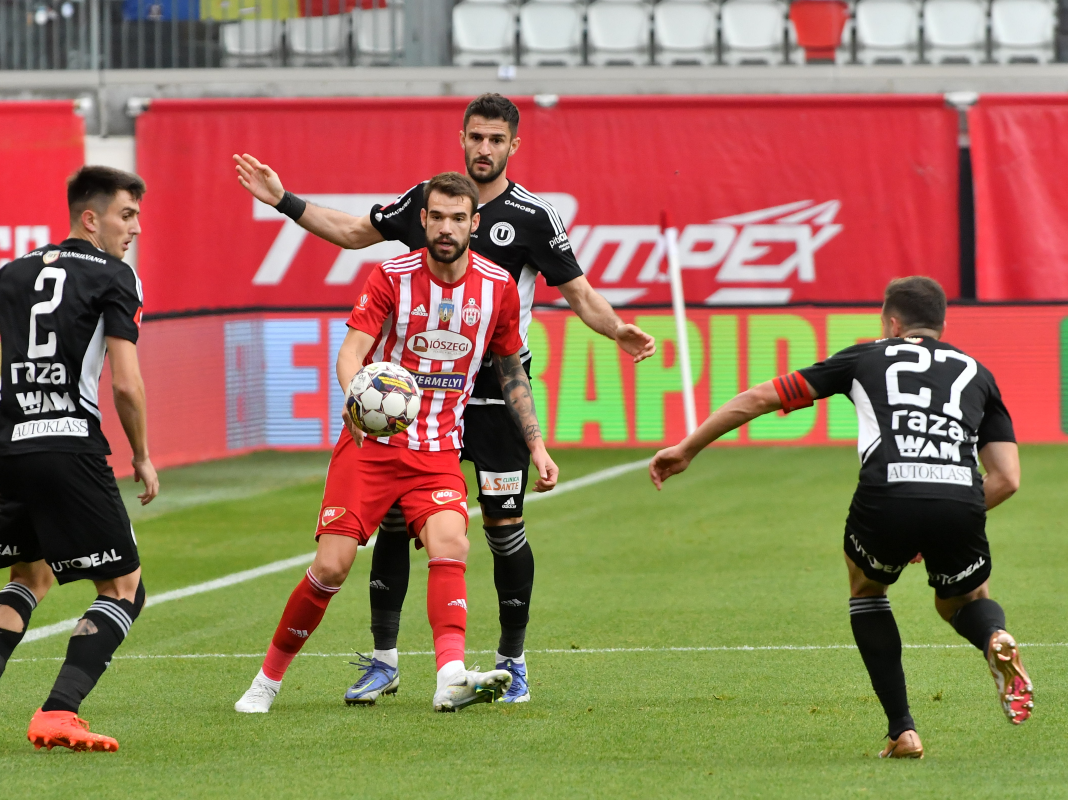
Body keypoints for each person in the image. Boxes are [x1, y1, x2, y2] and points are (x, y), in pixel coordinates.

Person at [233, 93, 655, 705]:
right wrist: (284, 201)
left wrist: (616, 329)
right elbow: (354, 233)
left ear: (514, 147)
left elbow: (580, 294)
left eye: (496, 140)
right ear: (462, 138)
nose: (484, 149)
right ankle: (383, 659)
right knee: (398, 522)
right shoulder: (425, 202)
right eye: (476, 138)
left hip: (493, 394)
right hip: (414, 399)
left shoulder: (533, 217)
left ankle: (513, 658)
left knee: (502, 526)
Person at [648, 276, 1029, 759]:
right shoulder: (979, 372)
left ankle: (903, 731)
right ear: (941, 324)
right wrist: (952, 509)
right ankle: (994, 636)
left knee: (867, 589)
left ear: (892, 322)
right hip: (960, 495)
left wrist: (686, 449)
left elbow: (760, 398)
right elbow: (1008, 478)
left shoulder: (864, 356)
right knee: (961, 600)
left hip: (887, 492)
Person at [234, 172, 559, 714]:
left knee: (452, 543)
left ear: (474, 224)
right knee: (332, 566)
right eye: (438, 217)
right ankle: (266, 680)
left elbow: (510, 372)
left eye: (459, 218)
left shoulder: (498, 286)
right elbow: (352, 350)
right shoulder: (391, 275)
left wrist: (537, 444)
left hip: (436, 452)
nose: (448, 228)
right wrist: (353, 396)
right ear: (424, 221)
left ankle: (450, 675)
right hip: (373, 447)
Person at [0, 166, 158, 754]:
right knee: (123, 587)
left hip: (11, 443)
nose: (135, 228)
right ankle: (59, 712)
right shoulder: (117, 278)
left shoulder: (11, 272)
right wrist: (141, 454)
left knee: (30, 576)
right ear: (90, 218)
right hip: (70, 441)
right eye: (126, 215)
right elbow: (125, 385)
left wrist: (3, 407)